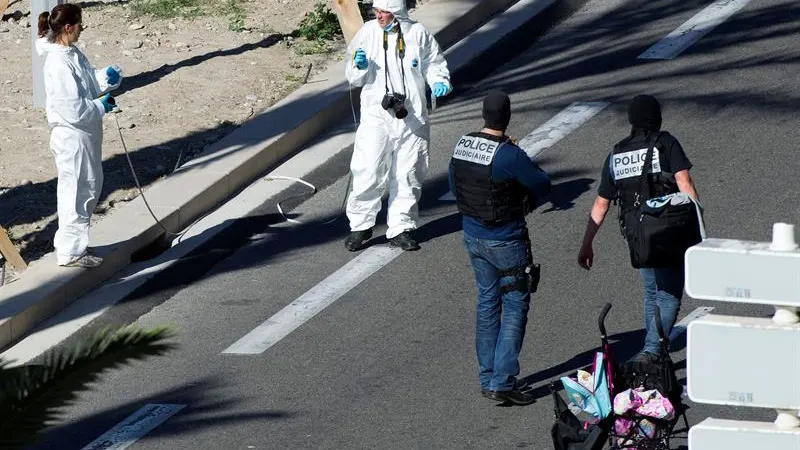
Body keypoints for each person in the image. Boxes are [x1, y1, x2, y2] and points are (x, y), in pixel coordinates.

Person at [577, 94, 699, 362]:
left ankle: (654, 348)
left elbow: (601, 203)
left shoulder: (617, 153)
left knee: (651, 292)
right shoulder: (665, 143)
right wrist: (697, 223)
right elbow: (684, 182)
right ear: (657, 118)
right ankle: (652, 351)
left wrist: (587, 243)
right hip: (668, 229)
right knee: (668, 294)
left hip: (636, 235)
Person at [449, 90, 552, 405]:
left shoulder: (463, 145)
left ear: (483, 114)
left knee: (487, 303)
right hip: (506, 239)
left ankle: (488, 376)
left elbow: (454, 186)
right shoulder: (509, 155)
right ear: (507, 117)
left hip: (472, 236)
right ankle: (503, 382)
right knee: (515, 306)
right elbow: (542, 184)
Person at [343, 0, 452, 252]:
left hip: (412, 116)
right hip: (376, 117)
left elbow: (434, 63)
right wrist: (358, 66)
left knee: (408, 173)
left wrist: (438, 80)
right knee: (367, 169)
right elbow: (353, 74)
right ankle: (360, 225)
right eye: (376, 11)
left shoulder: (418, 34)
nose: (378, 16)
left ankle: (401, 228)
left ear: (398, 13)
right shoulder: (368, 33)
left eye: (384, 12)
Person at [36, 4, 123, 268]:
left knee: (89, 185)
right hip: (72, 136)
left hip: (85, 133)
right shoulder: (58, 63)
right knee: (76, 190)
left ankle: (77, 245)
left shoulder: (71, 53)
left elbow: (87, 83)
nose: (82, 28)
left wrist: (105, 79)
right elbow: (72, 108)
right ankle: (70, 251)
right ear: (68, 27)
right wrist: (100, 106)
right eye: (80, 24)